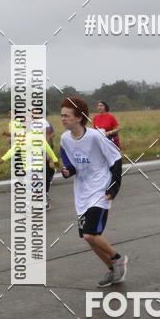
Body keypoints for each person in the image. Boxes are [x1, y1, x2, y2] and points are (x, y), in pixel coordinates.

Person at [60, 96, 127, 287]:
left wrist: (114, 186)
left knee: (90, 234)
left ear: (79, 118)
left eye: (67, 116)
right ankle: (112, 269)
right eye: (62, 115)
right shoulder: (65, 139)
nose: (63, 119)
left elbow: (115, 158)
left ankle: (118, 259)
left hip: (100, 190)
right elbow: (70, 163)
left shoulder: (95, 136)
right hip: (81, 193)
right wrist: (67, 171)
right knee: (88, 238)